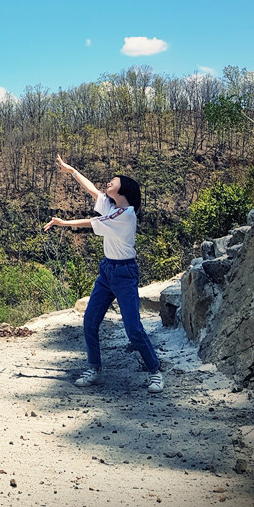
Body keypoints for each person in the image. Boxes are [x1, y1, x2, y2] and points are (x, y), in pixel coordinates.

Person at [44, 155, 164, 394]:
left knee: (133, 329)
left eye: (113, 181)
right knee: (90, 320)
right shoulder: (113, 206)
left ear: (124, 190)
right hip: (107, 271)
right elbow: (93, 191)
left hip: (125, 273)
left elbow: (92, 222)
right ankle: (95, 369)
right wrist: (72, 171)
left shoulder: (126, 215)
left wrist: (63, 223)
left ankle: (155, 372)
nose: (108, 183)